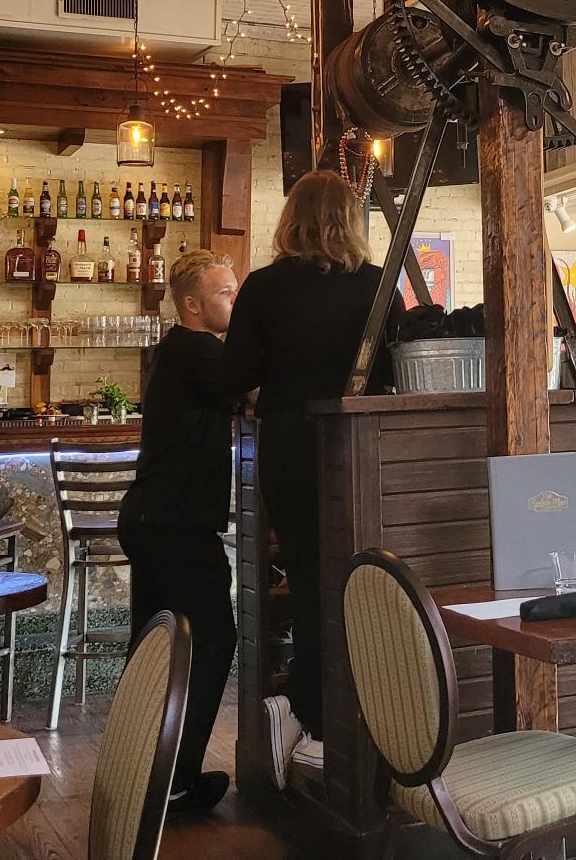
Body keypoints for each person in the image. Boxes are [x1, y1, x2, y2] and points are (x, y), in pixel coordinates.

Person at [222, 169, 383, 788]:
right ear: (353, 219)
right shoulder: (375, 285)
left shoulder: (262, 288)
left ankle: (310, 719)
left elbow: (232, 375)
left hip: (288, 445)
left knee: (312, 580)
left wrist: (274, 378)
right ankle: (356, 717)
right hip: (357, 447)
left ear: (291, 217)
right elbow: (394, 370)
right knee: (359, 580)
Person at [118, 248, 240, 817]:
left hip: (153, 521)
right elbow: (261, 392)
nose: (234, 302)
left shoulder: (182, 350)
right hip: (175, 526)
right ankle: (177, 780)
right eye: (226, 294)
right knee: (214, 642)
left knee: (155, 651)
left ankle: (143, 772)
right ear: (193, 305)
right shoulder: (198, 351)